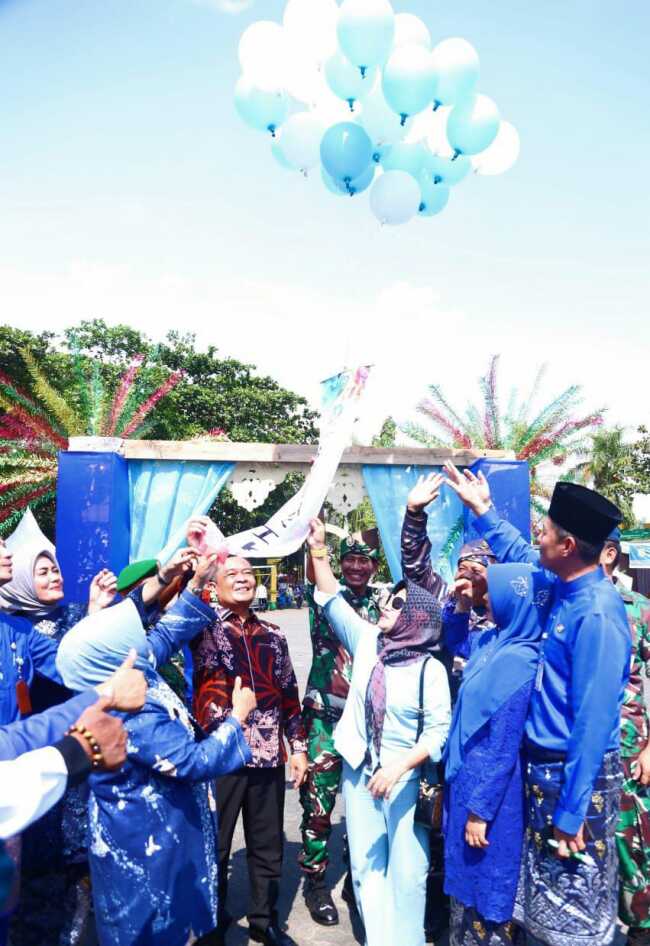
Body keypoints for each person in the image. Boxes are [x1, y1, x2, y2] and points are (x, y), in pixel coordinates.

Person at [444, 463, 630, 946]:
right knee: (539, 906)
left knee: (576, 905)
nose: (538, 539)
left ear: (568, 546)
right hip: (543, 772)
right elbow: (516, 551)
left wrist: (572, 812)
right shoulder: (562, 584)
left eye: (545, 532)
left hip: (575, 776)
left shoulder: (596, 614)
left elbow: (593, 723)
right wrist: (483, 511)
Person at [56, 575, 255, 946]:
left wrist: (196, 583)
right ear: (114, 656)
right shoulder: (133, 714)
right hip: (147, 848)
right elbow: (194, 761)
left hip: (153, 837)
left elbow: (162, 640)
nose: (139, 646)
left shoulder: (123, 679)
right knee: (153, 929)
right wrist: (237, 719)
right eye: (128, 642)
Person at [306, 517, 451, 946]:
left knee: (408, 870)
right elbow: (330, 597)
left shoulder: (429, 669)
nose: (385, 605)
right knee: (368, 871)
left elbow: (438, 733)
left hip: (403, 779)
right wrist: (317, 548)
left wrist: (398, 767)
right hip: (360, 772)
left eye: (396, 603)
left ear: (416, 617)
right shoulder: (369, 641)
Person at [186, 521, 308, 946]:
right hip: (219, 755)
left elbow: (290, 694)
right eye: (231, 573)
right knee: (214, 847)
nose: (242, 578)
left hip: (268, 755)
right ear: (214, 584)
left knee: (268, 846)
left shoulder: (273, 635)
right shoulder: (200, 628)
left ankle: (265, 921)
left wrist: (299, 749)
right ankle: (210, 925)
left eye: (247, 573)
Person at [401, 472, 497, 941]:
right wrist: (414, 515)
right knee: (437, 820)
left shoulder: (509, 610)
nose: (468, 572)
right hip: (443, 736)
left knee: (488, 826)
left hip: (492, 744)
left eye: (478, 566)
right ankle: (439, 907)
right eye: (462, 564)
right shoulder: (445, 601)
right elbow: (416, 569)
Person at [443, 561, 552, 946]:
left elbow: (503, 748)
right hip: (466, 782)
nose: (484, 596)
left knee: (488, 896)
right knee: (463, 894)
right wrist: (459, 604)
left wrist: (479, 811)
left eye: (492, 591)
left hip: (491, 801)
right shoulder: (494, 641)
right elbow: (454, 641)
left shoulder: (520, 660)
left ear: (515, 600)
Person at [300, 530, 382, 926]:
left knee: (364, 806)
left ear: (374, 566)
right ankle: (316, 883)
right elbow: (318, 574)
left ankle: (357, 880)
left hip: (367, 722)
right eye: (348, 558)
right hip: (324, 720)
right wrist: (317, 544)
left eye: (363, 560)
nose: (355, 566)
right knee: (319, 806)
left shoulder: (385, 605)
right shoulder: (323, 599)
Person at [601, 529, 650, 946]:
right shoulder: (563, 603)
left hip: (630, 751)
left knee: (630, 846)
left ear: (609, 554)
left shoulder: (639, 610)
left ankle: (639, 930)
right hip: (578, 754)